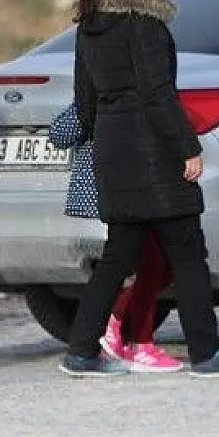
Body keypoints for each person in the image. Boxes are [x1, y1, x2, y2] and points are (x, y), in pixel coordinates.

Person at [62, 0, 219, 379]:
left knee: (117, 255)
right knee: (188, 253)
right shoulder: (145, 24)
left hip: (113, 151)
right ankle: (207, 353)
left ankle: (80, 351)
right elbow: (157, 94)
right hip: (153, 152)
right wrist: (186, 147)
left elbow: (84, 101)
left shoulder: (90, 24)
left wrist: (108, 140)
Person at [49, 104, 181, 372]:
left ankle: (122, 330)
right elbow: (61, 133)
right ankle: (131, 339)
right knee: (150, 263)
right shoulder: (101, 96)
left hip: (136, 185)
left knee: (160, 265)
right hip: (117, 189)